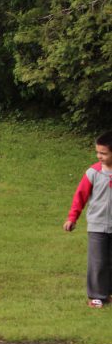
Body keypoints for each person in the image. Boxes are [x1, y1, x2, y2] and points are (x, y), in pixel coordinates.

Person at [63, 132, 112, 308]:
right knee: (97, 261)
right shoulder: (93, 173)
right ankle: (97, 296)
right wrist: (72, 218)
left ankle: (109, 293)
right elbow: (80, 196)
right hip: (97, 226)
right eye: (98, 152)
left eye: (104, 153)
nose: (100, 156)